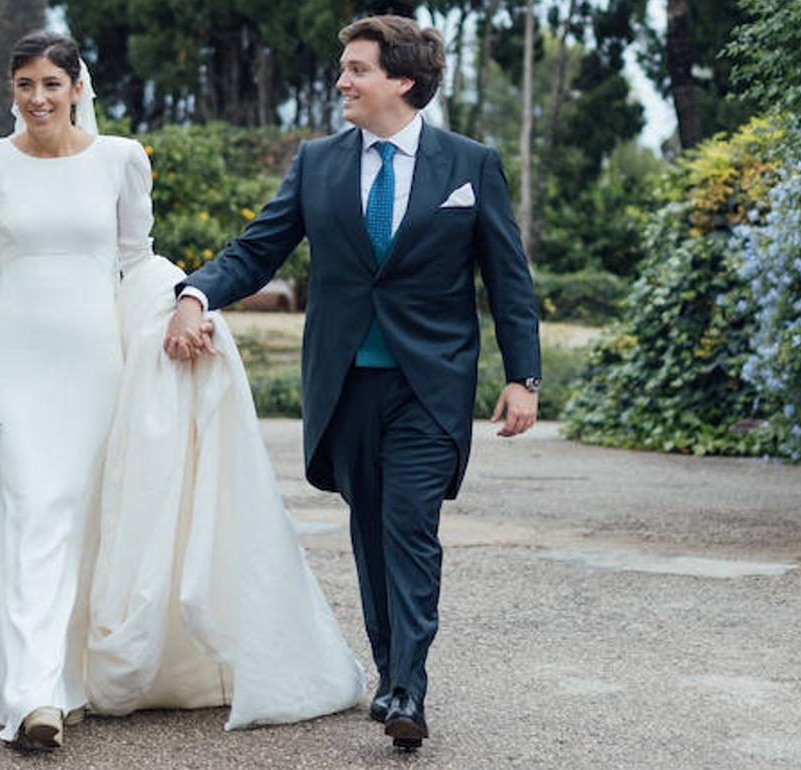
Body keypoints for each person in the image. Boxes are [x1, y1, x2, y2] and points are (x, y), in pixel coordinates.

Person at [0, 32, 363, 751]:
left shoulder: (121, 160)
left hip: (94, 365)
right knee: (32, 512)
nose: (38, 98)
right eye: (25, 85)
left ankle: (65, 682)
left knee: (78, 521)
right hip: (14, 366)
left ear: (78, 87)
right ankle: (31, 700)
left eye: (52, 83)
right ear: (12, 91)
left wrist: (185, 308)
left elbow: (135, 261)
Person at [166, 15, 541, 751]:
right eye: (344, 67)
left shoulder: (471, 165)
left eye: (357, 69)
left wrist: (522, 376)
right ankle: (389, 669)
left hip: (428, 387)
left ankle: (408, 685)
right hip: (346, 387)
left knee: (410, 530)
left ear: (403, 79)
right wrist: (194, 294)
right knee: (370, 534)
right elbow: (257, 249)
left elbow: (509, 280)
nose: (342, 80)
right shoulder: (317, 163)